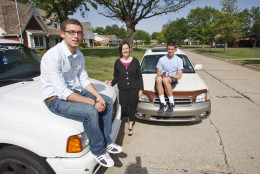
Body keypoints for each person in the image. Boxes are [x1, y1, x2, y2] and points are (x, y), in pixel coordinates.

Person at [40, 18, 122, 168]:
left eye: (79, 32)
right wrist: (93, 102)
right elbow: (62, 92)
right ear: (62, 33)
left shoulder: (79, 55)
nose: (76, 36)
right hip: (55, 100)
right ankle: (98, 151)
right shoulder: (53, 56)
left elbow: (84, 80)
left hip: (72, 92)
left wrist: (98, 97)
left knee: (107, 101)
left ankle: (107, 142)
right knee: (91, 111)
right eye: (71, 32)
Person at [105, 41, 143, 136]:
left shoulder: (135, 61)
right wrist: (111, 82)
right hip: (122, 89)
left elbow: (139, 76)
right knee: (123, 107)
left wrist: (140, 89)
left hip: (134, 88)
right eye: (123, 49)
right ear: (121, 51)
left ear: (129, 49)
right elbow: (116, 77)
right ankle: (123, 120)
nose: (125, 50)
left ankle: (130, 125)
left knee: (132, 107)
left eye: (127, 48)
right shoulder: (117, 62)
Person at [156, 42, 183, 115]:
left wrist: (169, 75)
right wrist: (161, 74)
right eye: (168, 49)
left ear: (175, 49)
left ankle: (171, 102)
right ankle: (163, 103)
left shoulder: (179, 60)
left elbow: (179, 76)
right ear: (166, 49)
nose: (170, 51)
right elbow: (158, 73)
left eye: (172, 49)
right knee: (158, 79)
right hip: (163, 77)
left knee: (165, 79)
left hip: (172, 78)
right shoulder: (161, 59)